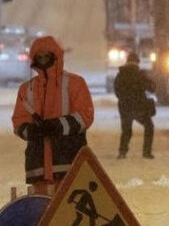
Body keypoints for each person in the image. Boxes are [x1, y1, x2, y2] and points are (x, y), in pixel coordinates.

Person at [12, 36, 95, 194]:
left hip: (69, 163)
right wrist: (30, 131)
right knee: (42, 214)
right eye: (39, 57)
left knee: (70, 212)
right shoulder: (26, 89)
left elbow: (85, 115)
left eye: (47, 56)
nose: (43, 60)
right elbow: (19, 120)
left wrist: (57, 126)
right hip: (39, 167)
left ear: (55, 56)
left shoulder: (75, 83)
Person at [114, 52, 155, 159]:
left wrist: (124, 99)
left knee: (126, 130)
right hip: (139, 107)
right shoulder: (140, 74)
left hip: (124, 107)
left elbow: (117, 91)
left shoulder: (120, 74)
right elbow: (151, 88)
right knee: (149, 126)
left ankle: (122, 152)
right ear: (137, 62)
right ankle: (146, 152)